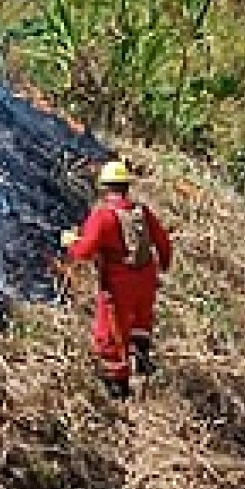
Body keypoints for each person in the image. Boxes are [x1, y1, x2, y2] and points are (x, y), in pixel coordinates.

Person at [61, 159, 173, 398]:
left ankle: (119, 388)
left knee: (110, 334)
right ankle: (142, 363)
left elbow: (85, 251)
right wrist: (163, 265)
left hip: (119, 282)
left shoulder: (103, 216)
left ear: (104, 187)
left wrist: (71, 244)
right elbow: (163, 242)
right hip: (146, 278)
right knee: (140, 324)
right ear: (126, 186)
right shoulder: (141, 211)